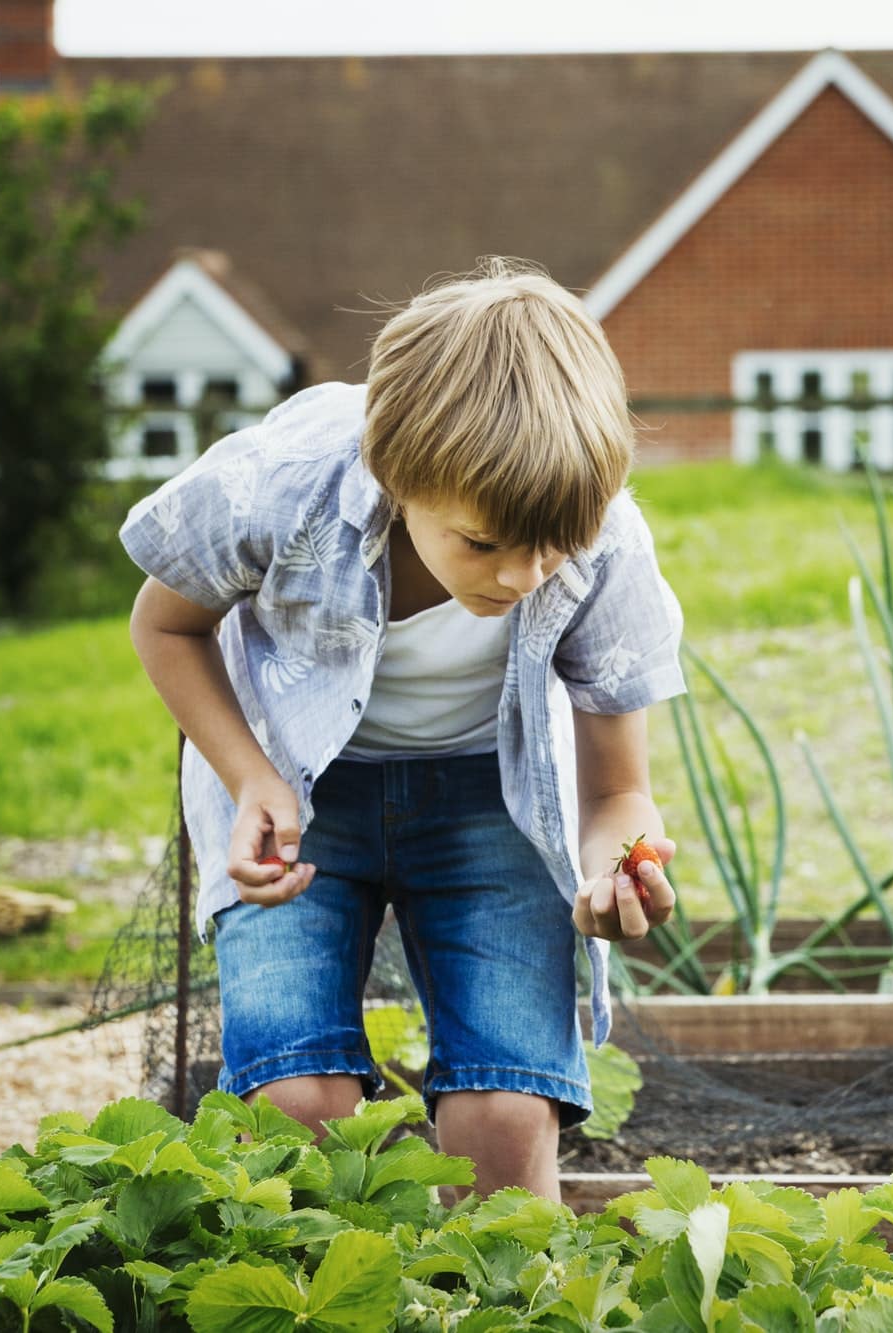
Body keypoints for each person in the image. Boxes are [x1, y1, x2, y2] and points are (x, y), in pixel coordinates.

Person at [119, 258, 684, 1202]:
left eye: (555, 546)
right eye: (483, 543)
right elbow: (164, 623)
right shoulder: (284, 484)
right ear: (398, 474)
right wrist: (250, 777)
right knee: (297, 1102)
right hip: (298, 794)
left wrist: (608, 866)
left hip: (489, 797)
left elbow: (618, 788)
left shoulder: (604, 537)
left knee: (502, 1125)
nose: (521, 577)